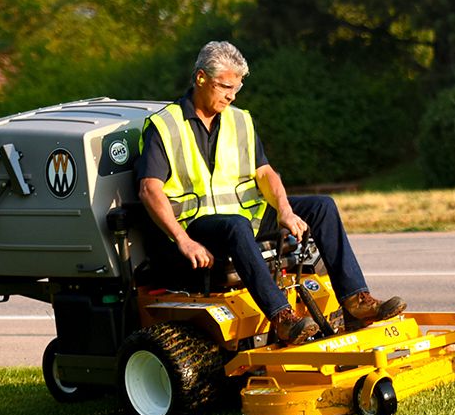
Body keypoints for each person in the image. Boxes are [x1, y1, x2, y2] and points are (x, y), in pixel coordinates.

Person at [135, 41, 406, 345]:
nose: (232, 95)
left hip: (242, 216)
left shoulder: (241, 120)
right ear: (200, 78)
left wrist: (285, 209)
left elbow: (265, 172)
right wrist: (183, 241)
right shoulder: (164, 125)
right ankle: (282, 318)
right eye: (225, 86)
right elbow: (149, 189)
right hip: (196, 227)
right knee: (235, 225)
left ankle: (356, 301)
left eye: (236, 88)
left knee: (322, 206)